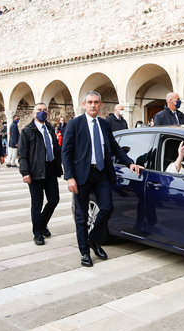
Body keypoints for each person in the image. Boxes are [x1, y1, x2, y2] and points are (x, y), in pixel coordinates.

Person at [62, 91, 143, 267]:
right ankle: (85, 252)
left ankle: (93, 240)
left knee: (107, 208)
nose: (93, 105)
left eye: (96, 102)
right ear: (84, 105)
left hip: (101, 173)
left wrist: (130, 163)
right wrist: (69, 177)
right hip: (81, 175)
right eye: (90, 102)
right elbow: (66, 152)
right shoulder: (75, 124)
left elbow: (114, 147)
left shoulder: (104, 125)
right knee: (81, 216)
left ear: (100, 105)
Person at [18, 103, 63, 245]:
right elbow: (22, 154)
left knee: (54, 199)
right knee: (36, 204)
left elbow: (55, 149)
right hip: (35, 171)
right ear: (33, 113)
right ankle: (37, 233)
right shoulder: (27, 131)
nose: (42, 112)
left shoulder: (50, 128)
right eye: (39, 110)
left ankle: (42, 224)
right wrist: (25, 172)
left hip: (49, 169)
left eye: (44, 110)